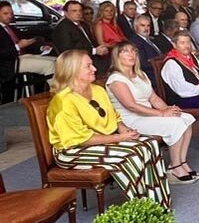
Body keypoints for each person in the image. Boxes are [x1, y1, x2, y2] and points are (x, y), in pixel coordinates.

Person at [46, 50, 171, 207]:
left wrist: (123, 129)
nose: (95, 69)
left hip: (101, 141)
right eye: (88, 66)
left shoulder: (97, 90)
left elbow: (114, 116)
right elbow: (80, 139)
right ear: (73, 70)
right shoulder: (63, 101)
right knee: (130, 155)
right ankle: (142, 207)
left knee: (149, 144)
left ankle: (159, 202)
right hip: (72, 150)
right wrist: (119, 138)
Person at [105, 42, 198, 185]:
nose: (131, 54)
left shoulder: (140, 74)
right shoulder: (116, 79)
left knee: (185, 117)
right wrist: (161, 114)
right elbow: (131, 106)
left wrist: (168, 110)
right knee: (176, 123)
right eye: (125, 52)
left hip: (148, 114)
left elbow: (153, 98)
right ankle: (175, 168)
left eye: (133, 51)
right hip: (132, 120)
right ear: (117, 56)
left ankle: (181, 162)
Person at [0, 0, 55, 100]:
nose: (9, 16)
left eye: (11, 13)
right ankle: (57, 94)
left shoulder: (11, 28)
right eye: (5, 13)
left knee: (56, 60)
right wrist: (18, 47)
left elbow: (26, 42)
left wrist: (41, 47)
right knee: (49, 65)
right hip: (9, 63)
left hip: (22, 57)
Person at [130, 15, 163, 85]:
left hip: (160, 73)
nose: (146, 28)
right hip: (151, 77)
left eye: (148, 26)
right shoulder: (135, 42)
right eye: (142, 25)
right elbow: (142, 64)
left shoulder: (150, 40)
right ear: (135, 27)